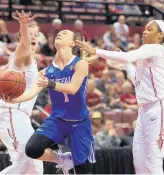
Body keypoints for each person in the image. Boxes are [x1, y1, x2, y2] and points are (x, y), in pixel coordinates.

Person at [76, 20, 164, 174]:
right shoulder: (147, 56)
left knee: (153, 163)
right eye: (144, 28)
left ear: (160, 36)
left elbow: (129, 57)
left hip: (160, 110)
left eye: (149, 29)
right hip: (145, 112)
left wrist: (96, 51)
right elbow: (136, 80)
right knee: (138, 162)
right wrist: (125, 64)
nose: (144, 31)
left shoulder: (156, 49)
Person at [6, 30, 96, 174]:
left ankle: (75, 163)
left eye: (65, 33)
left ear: (72, 43)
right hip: (57, 120)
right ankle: (62, 159)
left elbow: (72, 89)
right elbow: (32, 92)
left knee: (81, 170)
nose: (60, 34)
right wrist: (15, 99)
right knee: (32, 149)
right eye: (58, 33)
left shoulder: (80, 65)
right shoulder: (45, 72)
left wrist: (51, 83)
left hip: (79, 122)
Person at [0, 10, 43, 174]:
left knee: (35, 162)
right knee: (25, 161)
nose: (34, 37)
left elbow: (7, 66)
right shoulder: (24, 52)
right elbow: (25, 44)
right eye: (30, 34)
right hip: (11, 113)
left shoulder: (24, 58)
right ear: (22, 38)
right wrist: (23, 24)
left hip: (20, 116)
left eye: (36, 34)